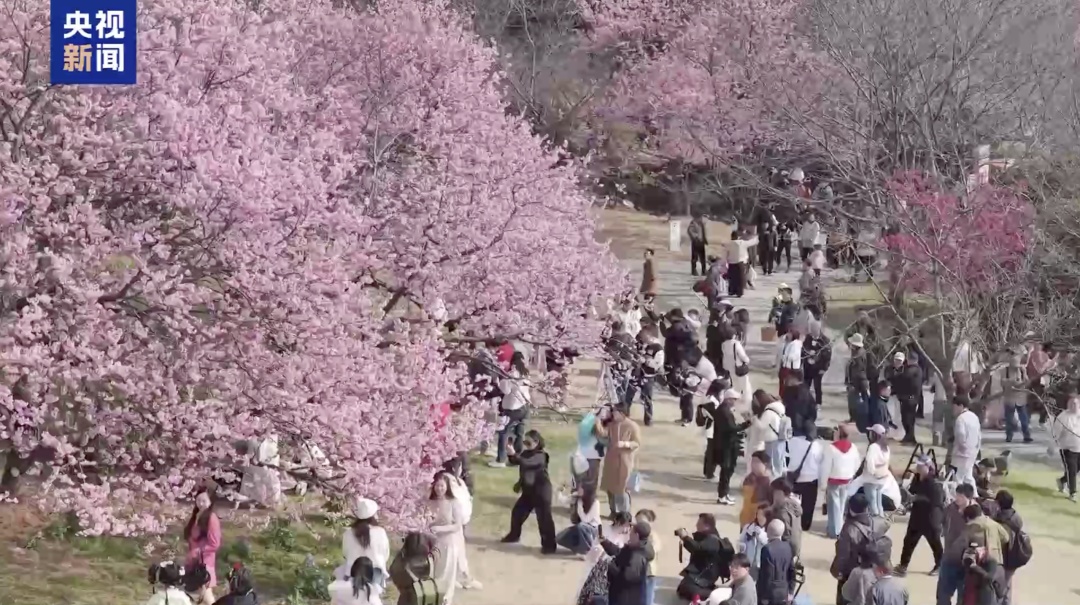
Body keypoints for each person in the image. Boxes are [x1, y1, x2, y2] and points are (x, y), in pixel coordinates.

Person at [501, 430, 557, 553]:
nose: (526, 444)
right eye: (524, 442)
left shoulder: (542, 456)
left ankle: (549, 546)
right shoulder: (526, 453)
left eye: (528, 442)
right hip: (529, 491)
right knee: (517, 513)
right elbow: (516, 461)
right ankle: (514, 535)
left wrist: (515, 455)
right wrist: (511, 454)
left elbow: (526, 463)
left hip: (542, 491)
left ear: (537, 442)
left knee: (544, 519)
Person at [831, 494, 891, 605]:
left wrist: (836, 571)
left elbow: (843, 555)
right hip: (876, 570)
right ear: (867, 507)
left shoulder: (849, 529)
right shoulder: (878, 522)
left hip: (853, 573)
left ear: (850, 508)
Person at [895, 457, 945, 577]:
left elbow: (937, 501)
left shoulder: (934, 483)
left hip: (930, 518)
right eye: (917, 465)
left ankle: (940, 565)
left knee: (935, 543)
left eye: (921, 466)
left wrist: (917, 498)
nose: (918, 468)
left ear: (928, 467)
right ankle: (903, 566)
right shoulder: (916, 479)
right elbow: (912, 492)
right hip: (916, 516)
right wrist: (908, 499)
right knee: (908, 541)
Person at [429, 473, 468, 603]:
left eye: (442, 486)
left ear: (447, 487)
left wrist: (440, 529)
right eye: (437, 485)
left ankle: (445, 599)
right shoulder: (430, 502)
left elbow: (457, 525)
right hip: (431, 543)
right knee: (434, 572)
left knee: (446, 573)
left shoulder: (454, 502)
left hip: (448, 542)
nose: (439, 488)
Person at [597, 404, 641, 518]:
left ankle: (624, 514)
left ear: (622, 413)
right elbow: (603, 433)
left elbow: (637, 443)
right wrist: (597, 420)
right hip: (611, 460)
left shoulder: (632, 426)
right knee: (609, 487)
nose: (613, 415)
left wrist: (625, 444)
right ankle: (613, 511)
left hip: (624, 461)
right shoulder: (612, 424)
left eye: (616, 412)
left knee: (622, 488)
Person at [818, 424, 861, 538]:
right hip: (847, 480)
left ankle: (835, 531)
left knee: (833, 507)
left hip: (834, 480)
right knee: (841, 506)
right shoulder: (853, 447)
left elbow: (825, 467)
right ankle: (840, 528)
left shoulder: (831, 448)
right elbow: (857, 464)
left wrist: (822, 483)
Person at [340, 497, 391, 593]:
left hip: (353, 570)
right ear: (372, 515)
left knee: (354, 599)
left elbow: (345, 553)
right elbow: (385, 553)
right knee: (373, 598)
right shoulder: (380, 532)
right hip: (375, 570)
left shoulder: (348, 533)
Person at [676, 513, 730, 601]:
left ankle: (714, 594)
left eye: (699, 523)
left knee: (686, 589)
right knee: (683, 589)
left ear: (706, 526)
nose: (696, 525)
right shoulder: (707, 536)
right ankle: (710, 591)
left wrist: (685, 537)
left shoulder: (713, 540)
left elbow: (697, 548)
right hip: (700, 576)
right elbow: (697, 546)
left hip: (704, 578)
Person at [490, 351, 531, 468]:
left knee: (503, 433)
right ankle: (517, 457)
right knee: (519, 433)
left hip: (513, 408)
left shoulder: (512, 374)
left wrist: (503, 380)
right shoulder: (526, 374)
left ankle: (501, 459)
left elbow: (506, 390)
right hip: (524, 406)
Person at [937, 483, 975, 605]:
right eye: (957, 495)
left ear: (969, 498)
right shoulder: (950, 508)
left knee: (963, 597)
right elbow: (941, 521)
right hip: (949, 557)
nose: (957, 498)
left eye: (961, 496)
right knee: (943, 594)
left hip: (966, 561)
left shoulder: (976, 512)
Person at [600, 520, 653, 605]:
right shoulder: (638, 546)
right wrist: (605, 542)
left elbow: (627, 577)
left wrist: (610, 566)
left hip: (625, 598)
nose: (629, 534)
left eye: (631, 532)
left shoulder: (637, 557)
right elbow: (620, 553)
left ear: (636, 535)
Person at [184, 488, 222, 605]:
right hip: (194, 560)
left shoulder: (211, 517)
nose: (201, 503)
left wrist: (198, 551)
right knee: (201, 596)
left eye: (204, 501)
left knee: (207, 595)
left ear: (210, 502)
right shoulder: (197, 516)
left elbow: (214, 544)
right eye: (199, 500)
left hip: (204, 562)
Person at [785, 419, 824, 532]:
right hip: (811, 479)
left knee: (792, 502)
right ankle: (805, 525)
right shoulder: (816, 446)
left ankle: (792, 521)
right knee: (808, 505)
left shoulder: (792, 441)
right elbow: (820, 461)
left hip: (794, 478)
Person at [992, 491, 1028, 605]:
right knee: (1006, 586)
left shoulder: (1002, 520)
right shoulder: (1015, 516)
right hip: (1014, 557)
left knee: (999, 589)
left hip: (1005, 558)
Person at [388, 532, 437, 605]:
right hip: (426, 598)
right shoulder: (429, 559)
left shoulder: (402, 560)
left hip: (407, 598)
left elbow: (393, 574)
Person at [885, 352, 923, 445]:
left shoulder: (914, 369)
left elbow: (903, 377)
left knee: (908, 418)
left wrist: (893, 378)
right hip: (909, 398)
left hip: (910, 398)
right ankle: (908, 437)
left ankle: (910, 438)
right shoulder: (914, 369)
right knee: (906, 418)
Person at [756, 519, 796, 605]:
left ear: (768, 531)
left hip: (769, 594)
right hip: (784, 591)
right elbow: (792, 571)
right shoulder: (788, 547)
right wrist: (791, 591)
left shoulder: (766, 549)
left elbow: (766, 574)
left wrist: (760, 596)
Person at [960, 537, 1007, 605]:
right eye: (972, 549)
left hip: (987, 595)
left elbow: (990, 578)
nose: (974, 552)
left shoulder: (990, 561)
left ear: (984, 549)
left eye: (977, 549)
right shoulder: (969, 558)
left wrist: (975, 567)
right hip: (971, 595)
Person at [557, 485, 602, 555]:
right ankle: (577, 548)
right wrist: (560, 491)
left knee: (581, 527)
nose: (578, 490)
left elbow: (586, 520)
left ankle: (587, 551)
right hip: (581, 527)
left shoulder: (595, 502)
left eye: (581, 489)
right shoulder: (577, 497)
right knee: (559, 537)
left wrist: (579, 504)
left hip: (592, 529)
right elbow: (563, 500)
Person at [1052, 388, 1080, 501]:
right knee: (1072, 470)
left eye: (1076, 403)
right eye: (1072, 403)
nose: (1074, 405)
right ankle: (1072, 493)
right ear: (1068, 404)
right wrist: (1053, 446)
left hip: (1079, 448)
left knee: (1076, 469)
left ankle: (1062, 481)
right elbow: (1055, 434)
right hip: (1067, 449)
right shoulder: (1062, 418)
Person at [1000, 351, 1032, 444]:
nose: (1016, 368)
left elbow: (1027, 382)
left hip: (1021, 398)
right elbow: (1002, 382)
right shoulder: (1004, 370)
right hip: (1009, 398)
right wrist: (1012, 382)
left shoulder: (1022, 370)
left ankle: (1027, 436)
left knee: (1024, 419)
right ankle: (1009, 436)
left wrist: (1024, 373)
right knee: (1009, 419)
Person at [952, 396, 982, 489]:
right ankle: (975, 496)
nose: (953, 410)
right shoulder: (974, 417)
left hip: (962, 453)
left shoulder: (960, 419)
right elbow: (979, 435)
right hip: (973, 451)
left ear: (960, 406)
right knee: (968, 476)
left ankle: (958, 497)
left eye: (954, 407)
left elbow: (960, 435)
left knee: (958, 477)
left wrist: (962, 448)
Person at [768, 478, 803, 558]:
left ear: (780, 493)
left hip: (787, 549)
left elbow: (786, 533)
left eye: (774, 492)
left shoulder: (783, 512)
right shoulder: (794, 505)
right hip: (795, 546)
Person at [845, 334, 875, 424]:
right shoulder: (857, 353)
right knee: (858, 400)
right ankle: (857, 417)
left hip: (858, 381)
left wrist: (851, 383)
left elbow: (858, 371)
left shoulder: (858, 356)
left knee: (856, 400)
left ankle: (857, 418)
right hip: (859, 381)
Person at [863, 425, 893, 517]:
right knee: (879, 500)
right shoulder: (886, 447)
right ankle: (881, 516)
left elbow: (870, 462)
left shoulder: (873, 447)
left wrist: (871, 473)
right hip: (883, 477)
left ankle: (874, 518)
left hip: (872, 478)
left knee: (871, 500)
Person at [740, 451, 775, 526]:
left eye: (756, 462)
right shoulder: (749, 478)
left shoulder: (770, 482)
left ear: (765, 464)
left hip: (759, 522)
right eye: (752, 462)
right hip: (746, 518)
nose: (753, 465)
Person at [803, 324, 832, 407]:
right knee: (806, 385)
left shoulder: (825, 340)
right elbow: (803, 348)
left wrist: (824, 368)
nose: (813, 334)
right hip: (808, 367)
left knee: (817, 386)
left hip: (818, 368)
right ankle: (805, 401)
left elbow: (827, 356)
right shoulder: (808, 338)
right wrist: (808, 352)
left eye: (814, 332)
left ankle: (818, 403)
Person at [722, 327, 753, 404]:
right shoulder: (736, 344)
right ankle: (747, 400)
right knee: (745, 385)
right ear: (733, 335)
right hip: (738, 367)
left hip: (728, 367)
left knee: (734, 384)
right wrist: (747, 360)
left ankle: (734, 398)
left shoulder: (724, 344)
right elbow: (742, 356)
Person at [635, 509, 660, 604]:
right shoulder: (634, 535)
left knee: (647, 600)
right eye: (637, 522)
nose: (639, 525)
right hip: (636, 573)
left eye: (642, 522)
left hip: (648, 573)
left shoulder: (653, 537)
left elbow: (651, 553)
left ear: (650, 523)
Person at [740, 506, 770, 580]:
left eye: (762, 515)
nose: (759, 517)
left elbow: (769, 543)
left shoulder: (770, 530)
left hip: (761, 564)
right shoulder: (748, 527)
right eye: (758, 514)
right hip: (749, 562)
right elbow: (741, 541)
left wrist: (760, 534)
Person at [726, 229, 758, 297]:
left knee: (732, 278)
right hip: (740, 263)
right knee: (740, 278)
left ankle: (732, 290)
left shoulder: (728, 244)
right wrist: (756, 236)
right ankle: (739, 292)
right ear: (738, 237)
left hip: (731, 263)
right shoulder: (741, 243)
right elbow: (752, 242)